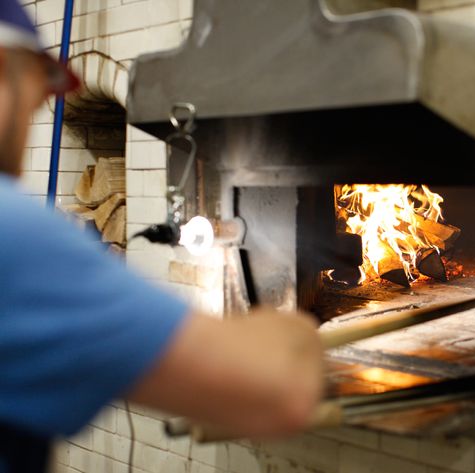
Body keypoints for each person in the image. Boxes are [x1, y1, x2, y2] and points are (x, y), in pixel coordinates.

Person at [0, 1, 324, 472]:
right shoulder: (14, 235)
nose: (29, 127)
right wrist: (298, 326)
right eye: (34, 100)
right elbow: (281, 391)